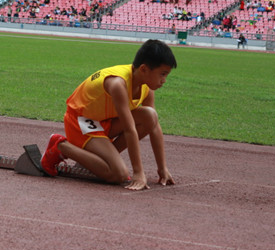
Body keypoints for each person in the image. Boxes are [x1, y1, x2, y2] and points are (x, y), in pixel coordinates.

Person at [40, 39, 177, 191]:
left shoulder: (146, 87)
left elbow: (154, 125)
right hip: (80, 121)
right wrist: (138, 173)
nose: (164, 80)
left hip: (103, 121)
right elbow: (129, 129)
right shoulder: (118, 84)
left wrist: (162, 168)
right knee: (118, 175)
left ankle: (98, 160)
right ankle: (61, 146)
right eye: (162, 74)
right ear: (144, 69)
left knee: (150, 116)